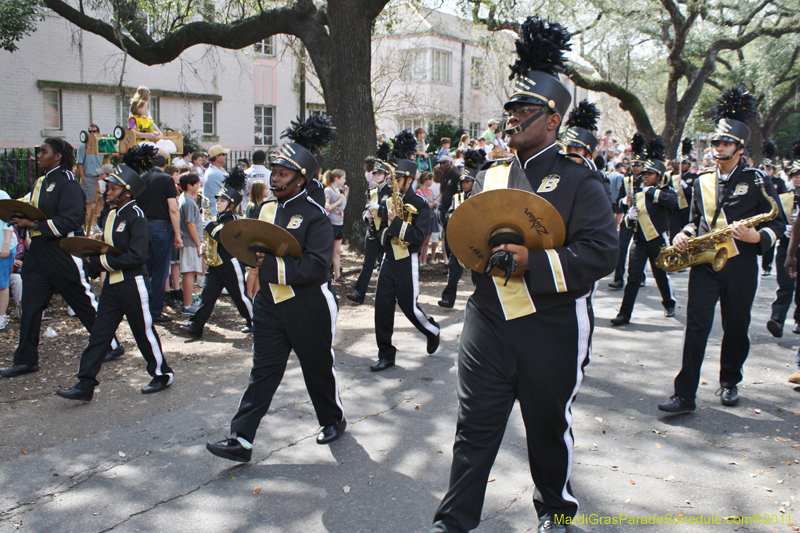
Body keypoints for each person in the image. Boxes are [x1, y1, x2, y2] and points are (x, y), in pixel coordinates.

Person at [431, 17, 617, 533]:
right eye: (510, 108)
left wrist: (533, 260)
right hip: (489, 319)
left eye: (524, 110)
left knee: (547, 428)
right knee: (474, 426)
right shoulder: (488, 175)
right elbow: (470, 241)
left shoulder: (580, 179)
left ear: (553, 120)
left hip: (551, 325)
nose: (512, 117)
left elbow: (602, 253)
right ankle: (453, 521)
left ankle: (555, 512)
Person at [205, 114, 344, 462]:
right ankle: (241, 439)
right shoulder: (264, 208)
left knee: (317, 369)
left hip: (308, 304)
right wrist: (231, 240)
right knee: (262, 372)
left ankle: (333, 419)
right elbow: (251, 248)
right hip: (269, 304)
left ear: (300, 179)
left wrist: (269, 266)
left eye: (283, 174)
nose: (275, 178)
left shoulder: (315, 215)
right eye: (275, 172)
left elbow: (315, 266)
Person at [658, 85, 786, 414]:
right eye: (716, 142)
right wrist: (683, 234)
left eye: (726, 143)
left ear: (740, 148)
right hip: (705, 263)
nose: (719, 147)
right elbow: (695, 220)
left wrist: (758, 238)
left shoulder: (757, 179)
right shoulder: (702, 180)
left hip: (741, 264)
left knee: (736, 325)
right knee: (696, 326)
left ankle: (730, 381)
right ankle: (685, 394)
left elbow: (778, 223)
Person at [1, 138, 124, 378]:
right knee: (30, 305)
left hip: (63, 251)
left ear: (57, 156)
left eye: (43, 152)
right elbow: (33, 210)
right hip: (38, 253)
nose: (38, 155)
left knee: (83, 302)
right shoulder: (41, 182)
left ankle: (111, 345)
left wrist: (33, 224)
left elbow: (71, 220)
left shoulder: (68, 183)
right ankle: (25, 360)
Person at [55, 158, 175, 402]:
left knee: (143, 331)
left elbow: (137, 256)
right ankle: (85, 383)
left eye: (113, 188)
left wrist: (99, 263)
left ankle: (162, 374)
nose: (107, 191)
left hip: (133, 284)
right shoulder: (110, 214)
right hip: (112, 284)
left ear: (127, 191)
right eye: (107, 187)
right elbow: (109, 248)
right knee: (100, 334)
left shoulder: (137, 216)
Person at [370, 132, 440, 372]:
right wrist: (387, 229)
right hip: (389, 259)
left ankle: (432, 330)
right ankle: (385, 354)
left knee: (409, 307)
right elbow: (380, 233)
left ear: (409, 180)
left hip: (407, 260)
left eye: (397, 179)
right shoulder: (388, 201)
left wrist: (396, 225)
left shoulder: (420, 204)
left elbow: (419, 237)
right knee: (382, 306)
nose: (393, 183)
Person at [610, 138, 677, 325]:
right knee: (633, 278)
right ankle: (624, 314)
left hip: (657, 242)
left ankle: (669, 303)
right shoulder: (637, 192)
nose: (645, 176)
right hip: (639, 242)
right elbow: (631, 221)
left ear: (659, 176)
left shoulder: (665, 191)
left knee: (660, 276)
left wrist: (650, 191)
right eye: (645, 173)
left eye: (650, 173)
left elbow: (672, 202)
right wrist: (629, 216)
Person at [180, 168, 253, 339]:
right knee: (207, 297)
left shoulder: (233, 220)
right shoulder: (217, 219)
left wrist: (208, 226)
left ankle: (256, 321)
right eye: (217, 200)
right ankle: (195, 326)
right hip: (215, 264)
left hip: (230, 264)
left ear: (231, 204)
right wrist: (205, 247)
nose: (218, 203)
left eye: (222, 201)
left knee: (240, 296)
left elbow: (224, 237)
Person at [137, 148, 182, 323]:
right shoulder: (166, 179)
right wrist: (177, 234)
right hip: (161, 227)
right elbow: (173, 208)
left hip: (143, 226)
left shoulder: (141, 178)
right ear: (164, 165)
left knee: (145, 270)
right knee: (160, 272)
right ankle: (155, 311)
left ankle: (142, 308)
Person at [438, 149, 483, 308]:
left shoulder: (480, 197)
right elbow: (449, 212)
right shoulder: (457, 197)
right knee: (453, 268)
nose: (464, 184)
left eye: (468, 181)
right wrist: (451, 217)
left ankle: (481, 299)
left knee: (478, 271)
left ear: (474, 182)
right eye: (463, 182)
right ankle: (448, 298)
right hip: (459, 238)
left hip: (475, 239)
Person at [347, 144, 392, 304]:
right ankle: (359, 293)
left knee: (388, 265)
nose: (377, 175)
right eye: (375, 173)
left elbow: (392, 212)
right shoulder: (371, 191)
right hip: (372, 232)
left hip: (386, 233)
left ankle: (389, 293)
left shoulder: (391, 192)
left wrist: (379, 208)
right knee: (368, 264)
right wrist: (366, 216)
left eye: (380, 173)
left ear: (386, 175)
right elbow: (366, 211)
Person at [768, 138, 800, 338]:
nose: (798, 179)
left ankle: (798, 320)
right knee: (785, 285)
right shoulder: (784, 198)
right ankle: (777, 319)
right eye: (795, 175)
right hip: (786, 246)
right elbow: (775, 221)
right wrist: (784, 228)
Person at [609, 133, 647, 290]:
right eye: (633, 164)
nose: (635, 167)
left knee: (641, 249)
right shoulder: (626, 180)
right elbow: (619, 200)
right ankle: (618, 278)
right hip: (628, 218)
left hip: (643, 218)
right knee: (621, 247)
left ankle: (640, 277)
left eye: (639, 165)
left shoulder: (647, 179)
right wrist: (624, 201)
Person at [760, 139, 787, 276]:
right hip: (760, 215)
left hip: (773, 214)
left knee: (769, 241)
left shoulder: (779, 182)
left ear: (773, 170)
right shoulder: (757, 180)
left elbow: (784, 199)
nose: (766, 171)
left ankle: (767, 266)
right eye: (764, 168)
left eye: (769, 169)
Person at [178, 172, 203, 316]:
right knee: (189, 272)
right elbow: (190, 224)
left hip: (189, 241)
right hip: (190, 241)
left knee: (190, 272)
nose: (198, 186)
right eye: (197, 184)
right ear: (189, 186)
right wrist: (199, 243)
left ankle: (187, 303)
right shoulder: (187, 201)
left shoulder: (185, 199)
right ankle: (187, 305)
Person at [76, 123, 105, 233]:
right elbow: (79, 163)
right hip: (89, 177)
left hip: (100, 177)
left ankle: (100, 223)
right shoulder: (83, 146)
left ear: (98, 132)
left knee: (101, 201)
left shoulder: (101, 145)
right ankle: (92, 225)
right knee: (89, 202)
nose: (92, 133)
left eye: (94, 131)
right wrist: (83, 178)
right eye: (90, 131)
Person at [323, 169, 348, 282]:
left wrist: (346, 193)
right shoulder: (328, 190)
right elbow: (326, 207)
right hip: (331, 224)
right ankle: (325, 275)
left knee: (337, 251)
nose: (345, 180)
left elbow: (343, 206)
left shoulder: (339, 190)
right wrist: (338, 201)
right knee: (328, 250)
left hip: (339, 224)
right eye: (343, 178)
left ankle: (337, 276)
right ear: (336, 178)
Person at [0, 187, 17, 331]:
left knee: (2, 282)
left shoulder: (2, 195)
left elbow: (9, 222)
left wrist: (5, 245)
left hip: (4, 247)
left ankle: (2, 316)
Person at [416, 171, 437, 265]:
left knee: (427, 241)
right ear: (425, 180)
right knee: (422, 240)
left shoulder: (430, 191)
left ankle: (424, 260)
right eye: (430, 179)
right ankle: (419, 260)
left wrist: (434, 204)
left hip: (431, 216)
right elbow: (419, 204)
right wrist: (428, 205)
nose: (431, 181)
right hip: (423, 217)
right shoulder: (419, 191)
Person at [202, 145, 229, 210]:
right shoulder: (218, 173)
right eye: (223, 154)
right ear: (217, 157)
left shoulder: (210, 170)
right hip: (216, 210)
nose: (225, 156)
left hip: (211, 209)